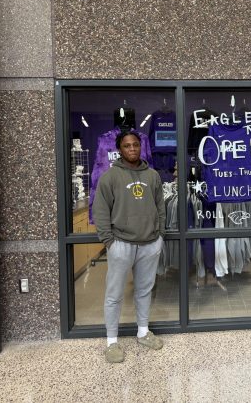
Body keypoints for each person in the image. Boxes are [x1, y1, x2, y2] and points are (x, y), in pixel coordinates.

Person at [93, 130, 166, 363]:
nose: (132, 149)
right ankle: (111, 342)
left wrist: (159, 235)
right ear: (120, 149)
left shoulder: (153, 175)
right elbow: (101, 210)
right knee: (114, 295)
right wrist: (109, 242)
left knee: (144, 291)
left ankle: (143, 332)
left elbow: (160, 207)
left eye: (135, 145)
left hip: (149, 243)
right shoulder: (110, 177)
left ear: (141, 147)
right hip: (121, 244)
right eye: (127, 146)